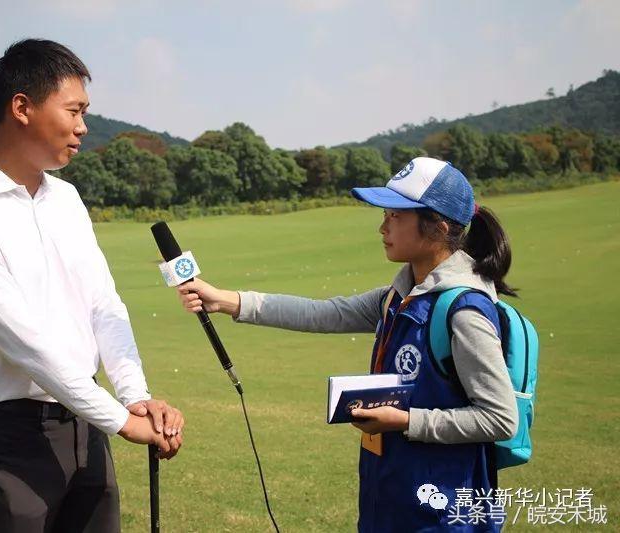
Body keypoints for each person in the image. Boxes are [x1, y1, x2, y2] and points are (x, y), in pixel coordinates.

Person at [176, 157, 519, 532]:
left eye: (395, 216)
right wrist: (225, 300)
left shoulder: (464, 311)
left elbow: (500, 418)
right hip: (391, 501)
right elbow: (323, 313)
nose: (382, 227)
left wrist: (406, 421)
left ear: (438, 227)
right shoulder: (398, 296)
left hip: (443, 517)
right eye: (385, 215)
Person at [0, 39, 184, 533]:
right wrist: (123, 421)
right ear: (22, 107)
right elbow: (27, 345)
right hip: (11, 442)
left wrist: (135, 395)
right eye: (74, 110)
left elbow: (103, 304)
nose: (84, 126)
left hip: (87, 428)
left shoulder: (65, 198)